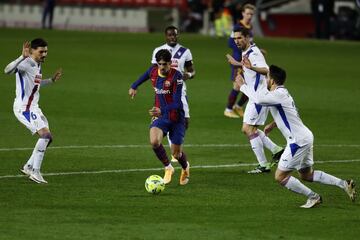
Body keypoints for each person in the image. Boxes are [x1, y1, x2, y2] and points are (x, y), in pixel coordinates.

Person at [236, 65, 356, 208]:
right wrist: (272, 125)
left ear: (272, 80)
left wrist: (243, 86)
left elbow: (259, 100)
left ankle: (314, 197)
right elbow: (292, 112)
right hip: (306, 136)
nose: (266, 80)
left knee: (280, 176)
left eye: (267, 78)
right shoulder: (284, 93)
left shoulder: (277, 95)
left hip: (297, 141)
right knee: (306, 175)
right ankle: (344, 184)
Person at [4, 38, 62, 184]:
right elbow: (7, 71)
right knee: (45, 135)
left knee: (48, 138)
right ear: (32, 51)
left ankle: (28, 166)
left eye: (46, 51)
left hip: (34, 107)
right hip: (24, 108)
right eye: (41, 51)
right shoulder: (27, 63)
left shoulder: (37, 65)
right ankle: (35, 172)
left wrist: (51, 80)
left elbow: (36, 83)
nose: (44, 54)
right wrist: (21, 57)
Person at [226, 27, 283, 173]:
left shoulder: (254, 52)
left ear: (247, 37)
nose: (237, 41)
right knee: (250, 129)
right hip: (254, 96)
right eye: (235, 39)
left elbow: (267, 70)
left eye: (239, 38)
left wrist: (249, 67)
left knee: (248, 129)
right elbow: (249, 66)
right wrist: (239, 64)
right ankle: (276, 150)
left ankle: (263, 164)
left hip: (259, 96)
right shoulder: (247, 51)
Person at [129, 49, 190, 185]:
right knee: (154, 142)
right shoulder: (153, 71)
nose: (162, 67)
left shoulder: (176, 77)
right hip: (161, 117)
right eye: (160, 64)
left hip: (175, 117)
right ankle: (168, 168)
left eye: (165, 64)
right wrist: (134, 86)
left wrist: (162, 110)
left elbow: (177, 103)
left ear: (170, 64)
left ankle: (185, 167)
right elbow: (145, 75)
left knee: (176, 154)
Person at [151, 25, 195, 162]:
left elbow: (193, 71)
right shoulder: (158, 50)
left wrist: (188, 74)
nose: (173, 37)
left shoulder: (185, 51)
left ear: (178, 35)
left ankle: (176, 144)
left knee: (185, 121)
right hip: (164, 90)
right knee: (168, 116)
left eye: (175, 35)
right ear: (166, 36)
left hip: (180, 90)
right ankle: (174, 151)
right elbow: (153, 71)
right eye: (170, 35)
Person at [224, 3, 255, 118]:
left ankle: (238, 107)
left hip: (248, 60)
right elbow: (230, 42)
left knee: (250, 86)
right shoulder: (238, 27)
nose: (249, 16)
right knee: (237, 86)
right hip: (238, 60)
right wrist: (241, 48)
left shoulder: (250, 27)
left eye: (251, 14)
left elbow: (249, 43)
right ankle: (228, 109)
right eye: (247, 13)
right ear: (243, 13)